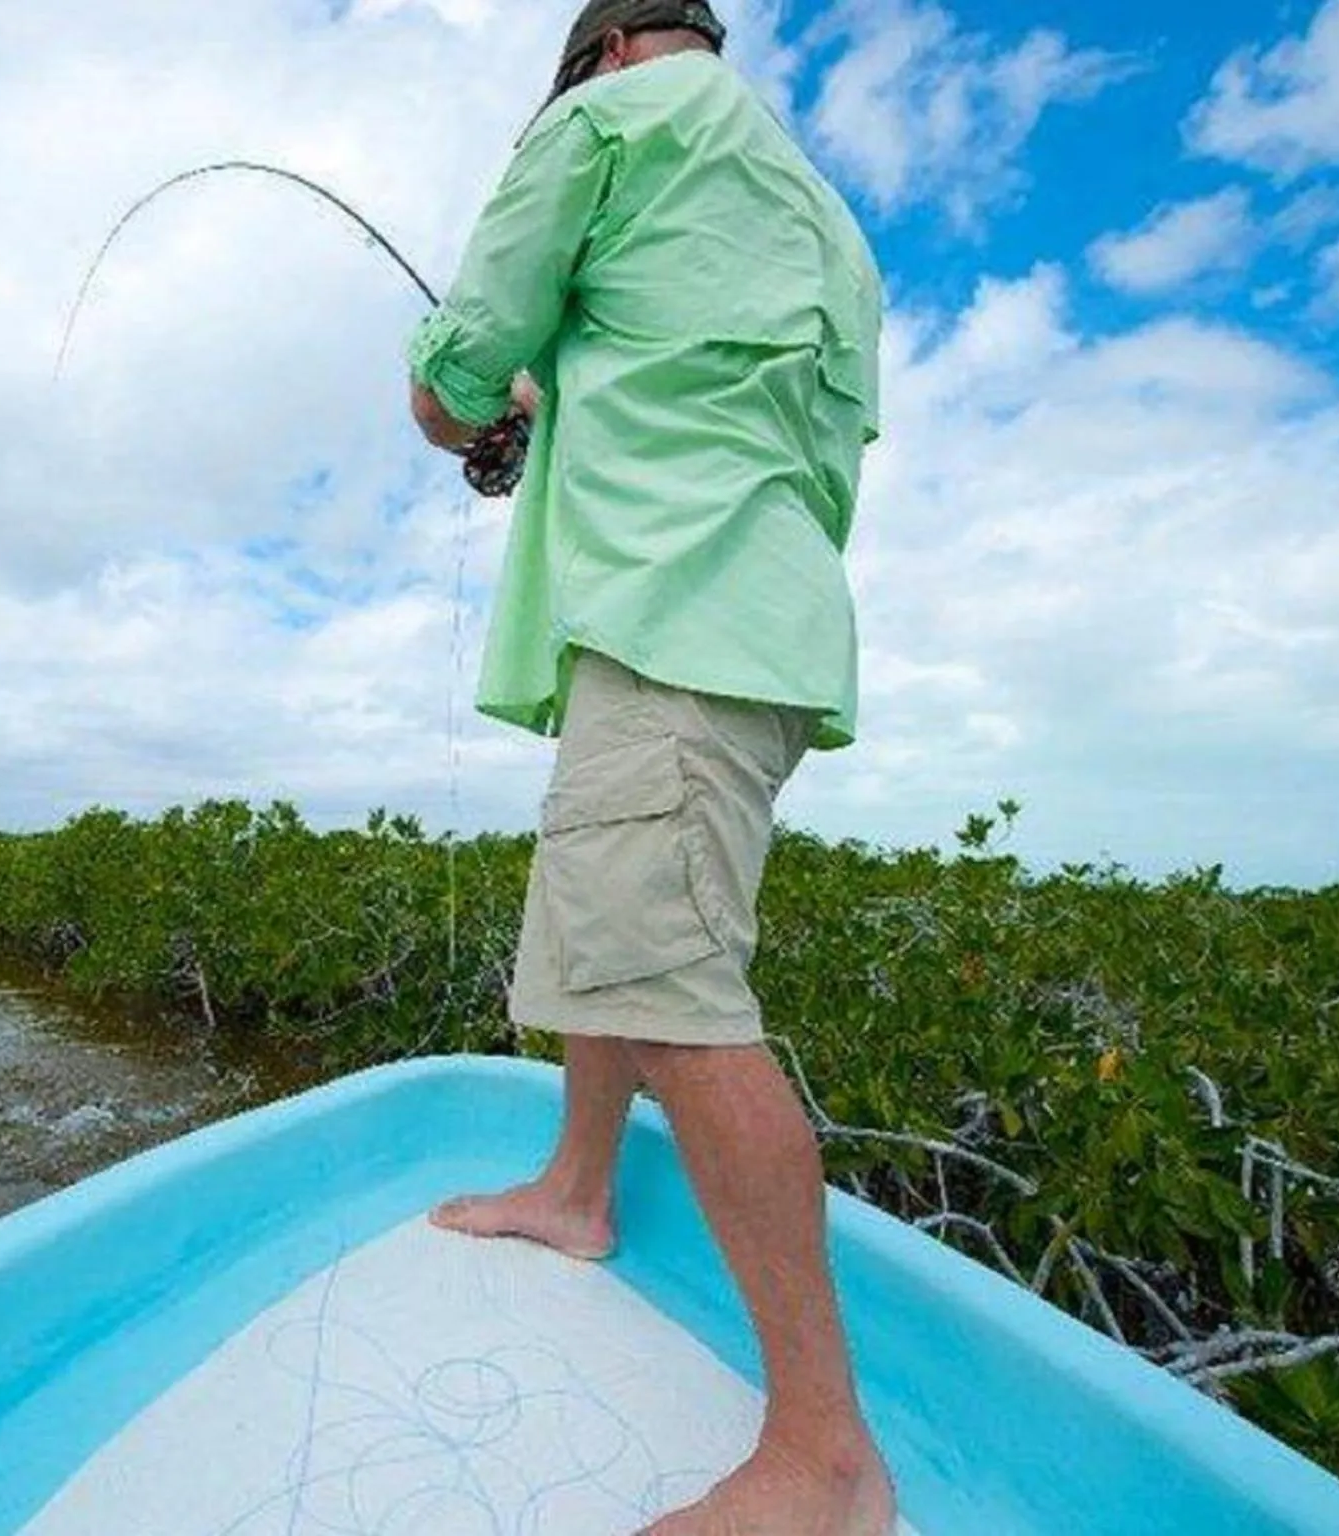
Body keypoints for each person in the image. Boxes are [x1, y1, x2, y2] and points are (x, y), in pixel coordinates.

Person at [403, 3, 893, 1533]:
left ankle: (824, 1458)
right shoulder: (820, 215)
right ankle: (577, 1191)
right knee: (616, 952)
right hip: (758, 625)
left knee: (670, 998)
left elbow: (451, 379)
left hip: (667, 618)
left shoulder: (606, 124)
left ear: (605, 50)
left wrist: (480, 414)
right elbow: (703, 394)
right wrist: (551, 412)